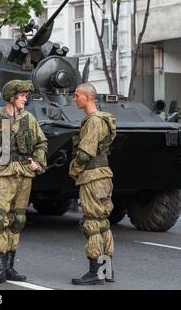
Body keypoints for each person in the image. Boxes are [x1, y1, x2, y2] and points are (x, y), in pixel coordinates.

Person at [0, 79, 47, 285]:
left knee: (18, 219)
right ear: (12, 97)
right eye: (22, 96)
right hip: (3, 173)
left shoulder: (28, 119)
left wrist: (37, 162)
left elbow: (41, 142)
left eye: (25, 96)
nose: (25, 99)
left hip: (23, 173)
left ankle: (10, 267)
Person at [69, 83, 117, 285]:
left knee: (92, 224)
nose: (74, 98)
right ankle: (106, 271)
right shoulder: (104, 119)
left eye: (77, 95)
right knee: (103, 223)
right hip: (103, 176)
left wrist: (74, 169)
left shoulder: (93, 122)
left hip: (92, 177)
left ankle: (95, 272)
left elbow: (84, 153)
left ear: (88, 97)